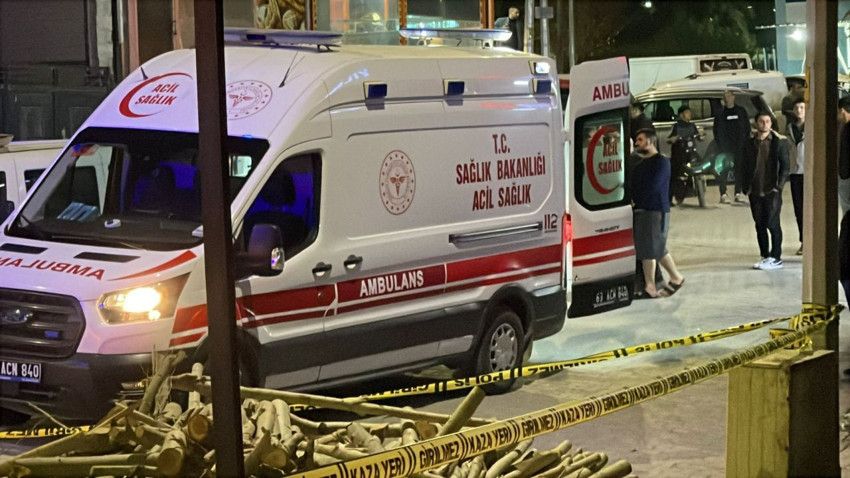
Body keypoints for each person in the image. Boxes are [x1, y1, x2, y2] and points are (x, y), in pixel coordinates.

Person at [630, 128, 685, 298]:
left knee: (654, 248)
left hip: (655, 210)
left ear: (650, 141)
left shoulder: (662, 162)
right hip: (642, 210)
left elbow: (654, 186)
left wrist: (638, 199)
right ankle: (662, 281)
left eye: (640, 139)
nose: (637, 143)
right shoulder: (640, 165)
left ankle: (659, 283)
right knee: (651, 248)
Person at [741, 112, 790, 270]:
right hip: (755, 190)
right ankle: (765, 255)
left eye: (768, 121)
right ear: (756, 123)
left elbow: (785, 166)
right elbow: (743, 165)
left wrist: (779, 186)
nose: (765, 124)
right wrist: (745, 187)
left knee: (772, 223)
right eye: (761, 121)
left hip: (772, 190)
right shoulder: (749, 143)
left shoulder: (779, 142)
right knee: (759, 224)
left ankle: (776, 257)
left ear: (771, 123)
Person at [713, 90, 751, 204]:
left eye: (729, 96)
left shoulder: (741, 111)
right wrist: (721, 145)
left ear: (734, 97)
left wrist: (745, 143)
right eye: (725, 96)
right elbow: (716, 130)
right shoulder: (720, 113)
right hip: (724, 147)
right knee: (723, 170)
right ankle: (723, 194)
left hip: (739, 146)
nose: (727, 98)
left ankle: (738, 193)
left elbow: (747, 128)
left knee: (739, 169)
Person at [667, 105, 702, 204]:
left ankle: (695, 187)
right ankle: (669, 199)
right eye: (687, 112)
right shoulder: (676, 126)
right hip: (679, 154)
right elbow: (669, 139)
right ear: (681, 115)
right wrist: (673, 139)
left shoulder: (692, 125)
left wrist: (701, 136)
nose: (690, 114)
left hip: (691, 152)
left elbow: (698, 137)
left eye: (690, 112)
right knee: (674, 174)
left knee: (701, 164)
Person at [786, 98, 805, 255]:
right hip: (795, 173)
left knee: (810, 208)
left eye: (802, 107)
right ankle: (804, 241)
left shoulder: (813, 126)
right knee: (799, 209)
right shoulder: (790, 128)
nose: (799, 110)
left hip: (809, 172)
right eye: (796, 108)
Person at [838, 96, 850, 215]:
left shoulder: (846, 128)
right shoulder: (844, 126)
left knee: (847, 208)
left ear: (842, 110)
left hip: (846, 175)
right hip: (845, 175)